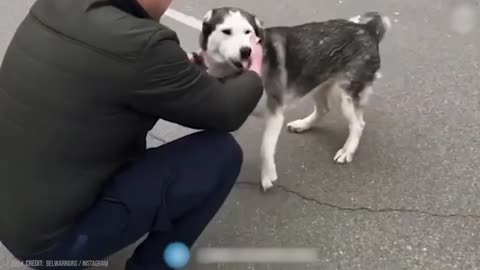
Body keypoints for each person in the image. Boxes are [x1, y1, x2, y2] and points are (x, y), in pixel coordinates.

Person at [0, 0, 264, 269]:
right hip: (51, 249)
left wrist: (169, 74)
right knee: (221, 154)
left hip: (10, 217)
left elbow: (103, 72)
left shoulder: (55, 5)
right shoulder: (142, 44)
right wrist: (255, 69)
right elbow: (227, 111)